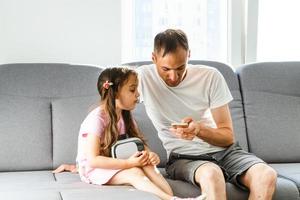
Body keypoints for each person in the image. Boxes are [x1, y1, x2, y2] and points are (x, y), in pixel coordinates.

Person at [136, 29, 277, 200]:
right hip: (183, 157)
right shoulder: (142, 77)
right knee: (212, 174)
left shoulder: (210, 76)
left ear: (189, 55)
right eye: (165, 69)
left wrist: (199, 131)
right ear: (154, 58)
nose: (173, 76)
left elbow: (227, 137)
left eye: (180, 67)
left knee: (266, 175)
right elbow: (114, 106)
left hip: (226, 153)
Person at [53, 67, 206, 200]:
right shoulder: (97, 119)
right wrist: (128, 164)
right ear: (116, 93)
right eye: (132, 90)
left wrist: (150, 154)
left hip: (115, 162)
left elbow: (138, 143)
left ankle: (171, 197)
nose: (138, 94)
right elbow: (93, 160)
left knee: (146, 164)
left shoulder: (125, 115)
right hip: (95, 169)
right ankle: (171, 199)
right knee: (134, 172)